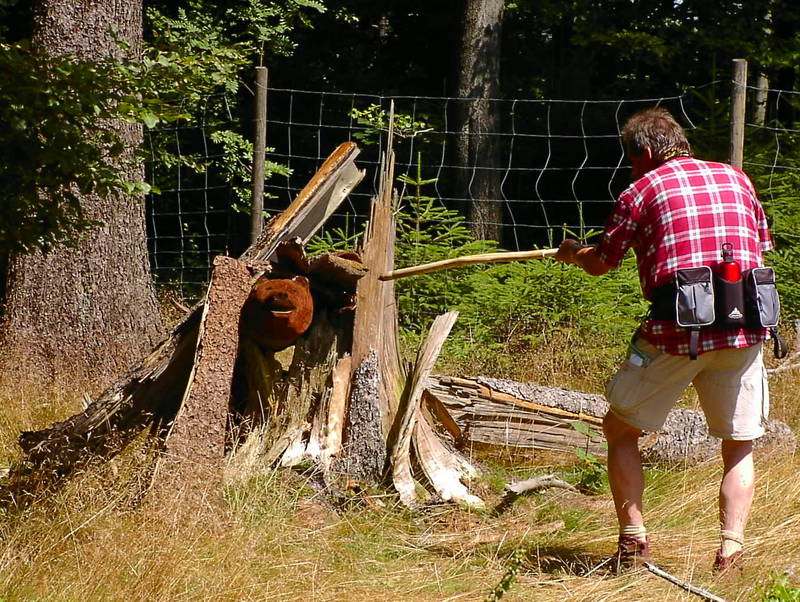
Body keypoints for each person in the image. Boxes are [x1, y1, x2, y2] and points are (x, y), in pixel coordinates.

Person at [554, 107, 774, 574]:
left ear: (648, 153)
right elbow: (760, 245)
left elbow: (602, 262)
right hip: (744, 331)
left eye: (632, 160)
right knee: (738, 445)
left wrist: (574, 253)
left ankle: (633, 542)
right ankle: (730, 552)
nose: (631, 169)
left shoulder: (642, 188)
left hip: (674, 335)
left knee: (620, 429)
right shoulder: (737, 179)